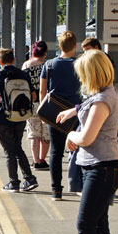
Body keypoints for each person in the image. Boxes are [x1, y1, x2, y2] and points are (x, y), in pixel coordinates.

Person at [57, 50, 118, 234]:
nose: (81, 78)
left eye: (83, 73)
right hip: (103, 167)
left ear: (91, 73)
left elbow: (86, 138)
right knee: (100, 227)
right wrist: (73, 112)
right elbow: (85, 106)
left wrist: (70, 136)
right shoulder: (105, 93)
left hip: (102, 168)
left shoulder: (102, 100)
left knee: (85, 225)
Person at [40, 31, 81, 201]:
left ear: (60, 46)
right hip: (77, 113)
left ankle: (56, 190)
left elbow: (43, 91)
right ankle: (81, 185)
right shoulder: (81, 65)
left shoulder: (49, 65)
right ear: (75, 46)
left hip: (55, 114)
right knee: (80, 149)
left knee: (56, 152)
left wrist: (43, 112)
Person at [0, 48, 38, 193]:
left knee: (9, 151)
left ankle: (14, 182)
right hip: (21, 116)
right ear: (13, 60)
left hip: (4, 117)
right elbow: (34, 96)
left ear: (0, 61)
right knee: (17, 147)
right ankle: (29, 179)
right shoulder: (23, 74)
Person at [22, 40, 49, 170]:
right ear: (45, 53)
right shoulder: (48, 65)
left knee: (34, 132)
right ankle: (43, 159)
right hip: (46, 103)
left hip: (31, 103)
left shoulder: (26, 65)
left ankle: (36, 161)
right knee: (46, 133)